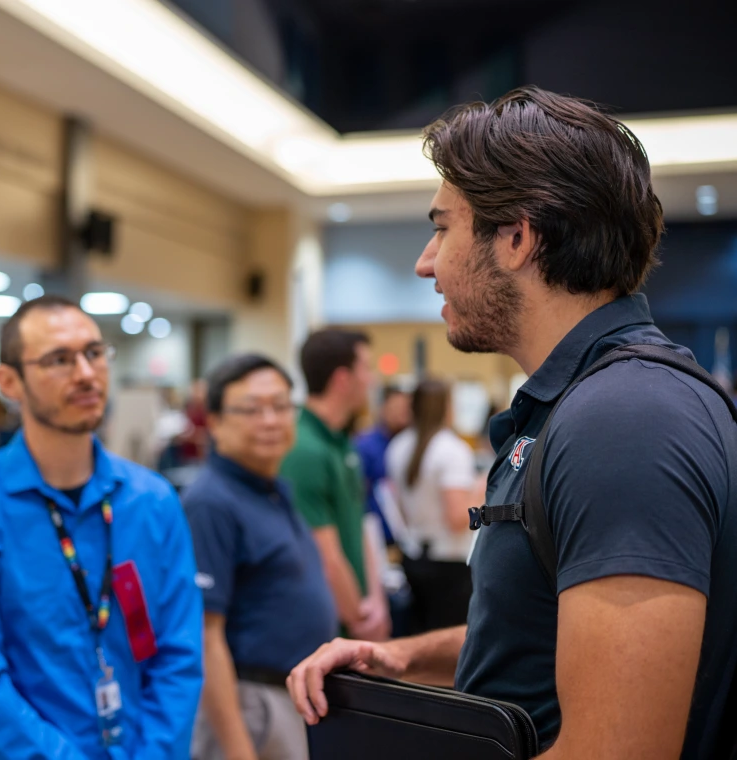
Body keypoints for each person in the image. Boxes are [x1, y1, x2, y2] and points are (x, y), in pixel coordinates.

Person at [287, 86, 737, 759]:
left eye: (442, 228)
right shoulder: (586, 405)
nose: (425, 262)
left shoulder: (625, 420)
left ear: (518, 238)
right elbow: (554, 635)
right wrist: (401, 659)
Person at [0, 294, 203, 759]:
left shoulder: (152, 501)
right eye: (58, 360)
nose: (86, 373)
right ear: (9, 381)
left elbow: (178, 657)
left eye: (94, 352)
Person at [186, 354, 336, 760]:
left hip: (294, 700)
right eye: (252, 409)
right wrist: (238, 749)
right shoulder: (211, 502)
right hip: (252, 704)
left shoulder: (272, 488)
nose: (270, 421)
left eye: (281, 406)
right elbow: (205, 635)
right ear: (214, 421)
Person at [281, 329, 389, 642]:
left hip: (357, 612)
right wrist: (359, 621)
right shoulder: (305, 449)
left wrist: (376, 600)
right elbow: (325, 556)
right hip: (329, 629)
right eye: (366, 368)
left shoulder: (341, 443)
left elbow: (358, 524)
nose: (371, 379)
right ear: (343, 379)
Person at [385, 379, 478, 632]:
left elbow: (401, 508)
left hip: (414, 557)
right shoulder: (452, 450)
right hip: (448, 563)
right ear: (447, 407)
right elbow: (458, 519)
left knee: (421, 638)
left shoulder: (397, 446)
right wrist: (482, 494)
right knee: (449, 646)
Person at [354, 383, 412, 546]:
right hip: (378, 535)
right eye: (397, 407)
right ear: (383, 408)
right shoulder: (365, 447)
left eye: (406, 409)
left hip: (410, 535)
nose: (402, 414)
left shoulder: (412, 446)